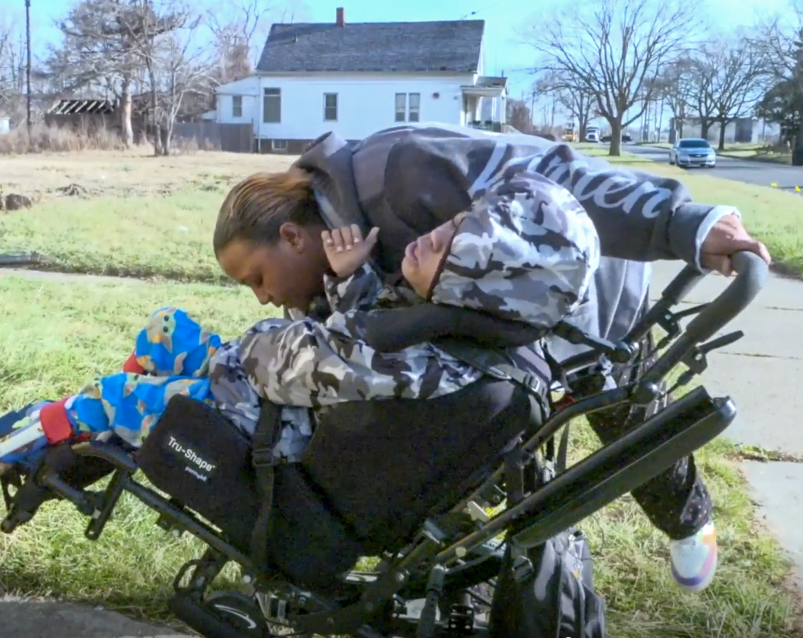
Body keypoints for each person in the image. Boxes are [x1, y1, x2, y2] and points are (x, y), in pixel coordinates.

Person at [212, 123, 772, 594]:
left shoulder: (395, 170)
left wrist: (682, 223)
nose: (262, 297)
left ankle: (689, 520)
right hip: (494, 337)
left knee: (627, 419)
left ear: (291, 236)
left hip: (589, 299)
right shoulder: (337, 254)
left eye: (256, 278)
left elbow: (556, 173)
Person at [0, 172, 595, 500]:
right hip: (256, 387)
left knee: (113, 396)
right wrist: (351, 285)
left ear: (487, 282)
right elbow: (353, 344)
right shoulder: (440, 327)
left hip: (258, 420)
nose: (427, 238)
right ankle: (92, 431)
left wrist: (277, 331)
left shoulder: (431, 357)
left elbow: (311, 363)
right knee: (165, 328)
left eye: (449, 244)